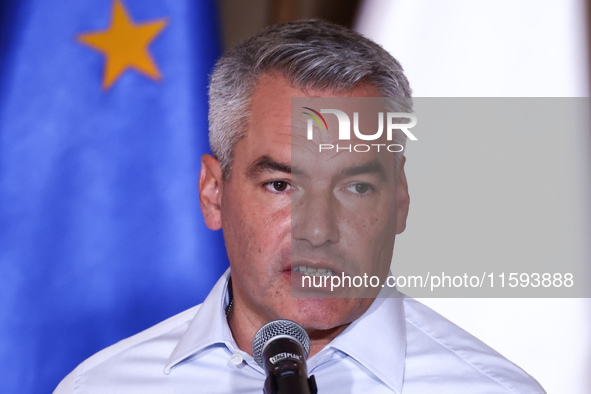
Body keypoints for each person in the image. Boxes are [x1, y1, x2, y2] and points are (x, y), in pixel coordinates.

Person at [54, 19, 545, 393]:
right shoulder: (104, 385)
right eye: (281, 185)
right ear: (213, 193)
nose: (319, 231)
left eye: (356, 187)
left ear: (400, 201)